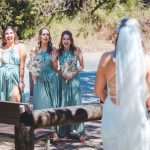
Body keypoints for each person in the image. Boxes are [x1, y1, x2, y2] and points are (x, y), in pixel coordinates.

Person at [95, 18, 150, 150]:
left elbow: (98, 90)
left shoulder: (106, 58)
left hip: (112, 113)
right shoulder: (147, 60)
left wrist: (111, 100)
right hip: (136, 114)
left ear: (117, 36)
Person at [31, 27, 59, 141]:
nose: (45, 36)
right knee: (40, 104)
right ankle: (39, 130)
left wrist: (53, 61)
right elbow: (32, 66)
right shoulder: (35, 50)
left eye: (47, 34)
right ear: (40, 36)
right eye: (43, 34)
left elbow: (57, 69)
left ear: (49, 37)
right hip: (39, 80)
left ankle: (53, 132)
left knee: (51, 105)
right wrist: (33, 74)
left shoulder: (54, 50)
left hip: (51, 78)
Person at [57, 30, 85, 142]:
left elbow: (82, 66)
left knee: (76, 104)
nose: (66, 41)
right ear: (61, 40)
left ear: (71, 40)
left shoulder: (77, 50)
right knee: (64, 104)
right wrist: (62, 73)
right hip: (63, 81)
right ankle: (65, 131)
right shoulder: (58, 52)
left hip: (74, 80)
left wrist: (73, 73)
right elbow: (55, 67)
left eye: (68, 39)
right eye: (64, 39)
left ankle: (81, 132)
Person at [0, 25, 26, 102]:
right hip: (2, 77)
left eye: (11, 33)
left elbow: (22, 65)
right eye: (6, 33)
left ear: (14, 34)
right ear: (4, 37)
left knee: (16, 101)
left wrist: (21, 81)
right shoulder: (1, 49)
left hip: (15, 77)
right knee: (3, 103)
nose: (9, 35)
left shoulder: (20, 47)